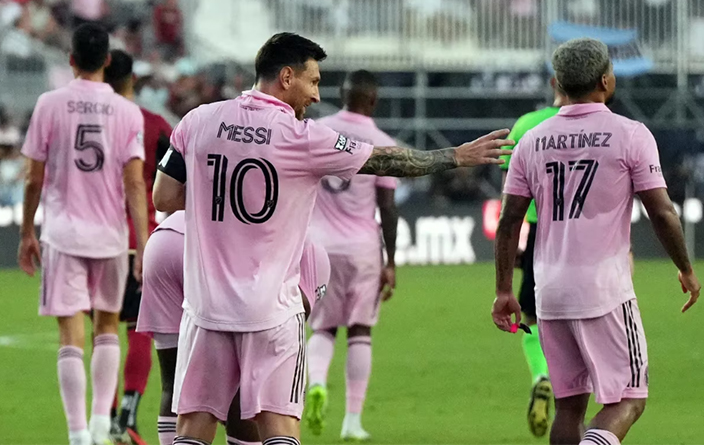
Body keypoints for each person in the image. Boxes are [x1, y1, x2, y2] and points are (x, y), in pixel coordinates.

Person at [152, 31, 513, 445]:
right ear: (287, 77)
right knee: (279, 428)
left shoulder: (198, 120)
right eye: (313, 81)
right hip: (270, 313)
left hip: (206, 311)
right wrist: (454, 155)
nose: (317, 95)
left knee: (193, 431)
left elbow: (163, 196)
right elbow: (385, 160)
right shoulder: (303, 138)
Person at [494, 37, 701, 445]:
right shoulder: (630, 134)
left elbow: (509, 221)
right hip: (604, 289)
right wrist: (686, 267)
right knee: (630, 399)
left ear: (560, 82)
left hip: (550, 290)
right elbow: (661, 211)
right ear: (606, 80)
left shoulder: (532, 141)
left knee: (570, 405)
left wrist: (503, 289)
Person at [17, 24, 148, 445]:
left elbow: (33, 178)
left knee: (70, 334)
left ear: (71, 59)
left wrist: (26, 232)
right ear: (108, 61)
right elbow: (134, 185)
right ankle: (98, 423)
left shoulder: (49, 104)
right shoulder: (128, 112)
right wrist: (142, 244)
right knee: (108, 326)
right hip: (110, 237)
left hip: (63, 233)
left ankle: (76, 433)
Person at [135, 210, 330, 445]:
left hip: (166, 239)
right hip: (209, 253)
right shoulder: (314, 258)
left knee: (175, 382)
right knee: (251, 388)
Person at [304, 69, 398, 441]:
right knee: (360, 330)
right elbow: (388, 208)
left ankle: (315, 384)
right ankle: (352, 422)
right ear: (373, 100)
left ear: (341, 95)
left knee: (322, 326)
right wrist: (391, 261)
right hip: (361, 249)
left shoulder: (317, 131)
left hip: (317, 247)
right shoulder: (383, 142)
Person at [103, 49, 173, 445]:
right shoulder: (152, 124)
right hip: (137, 241)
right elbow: (175, 180)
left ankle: (103, 417)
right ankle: (125, 418)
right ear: (132, 80)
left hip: (94, 242)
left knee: (102, 333)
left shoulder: (89, 120)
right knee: (139, 332)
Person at [500, 79, 568, 438]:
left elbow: (511, 199)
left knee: (531, 315)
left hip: (541, 233)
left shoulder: (527, 125)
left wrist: (508, 259)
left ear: (554, 82)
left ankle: (541, 374)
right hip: (588, 239)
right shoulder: (604, 126)